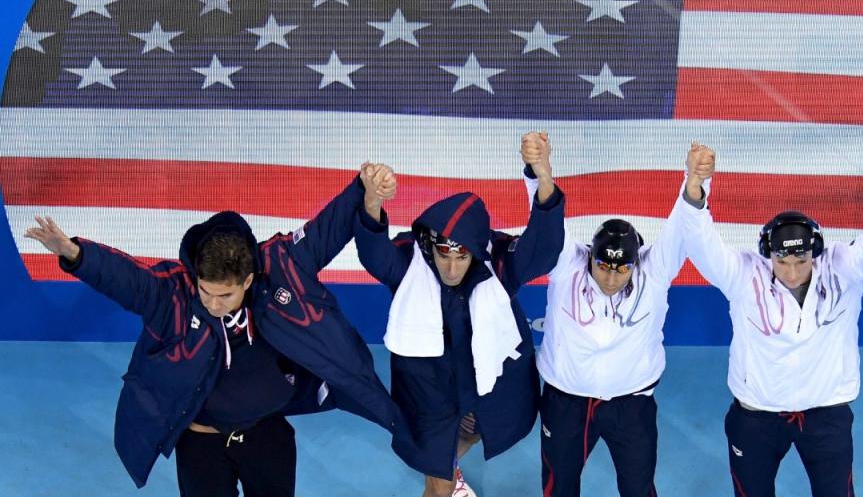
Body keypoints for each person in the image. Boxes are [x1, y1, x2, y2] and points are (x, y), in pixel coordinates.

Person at [24, 166, 410, 496]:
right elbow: (128, 280)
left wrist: (365, 189)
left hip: (267, 435)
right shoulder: (174, 294)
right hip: (201, 445)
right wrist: (74, 253)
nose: (212, 304)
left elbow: (327, 229)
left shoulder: (282, 266)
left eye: (223, 295)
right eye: (205, 291)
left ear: (247, 280)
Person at [678, 150, 863, 497]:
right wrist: (695, 183)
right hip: (756, 418)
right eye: (783, 261)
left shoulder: (844, 268)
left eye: (802, 260)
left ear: (815, 253)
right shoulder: (742, 275)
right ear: (768, 254)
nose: (793, 272)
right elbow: (700, 243)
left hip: (825, 416)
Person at [353, 132, 565, 497]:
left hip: (488, 379)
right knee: (436, 477)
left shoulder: (497, 259)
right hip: (429, 384)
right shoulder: (411, 259)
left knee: (476, 430)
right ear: (430, 246)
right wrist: (372, 201)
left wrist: (542, 177)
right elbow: (374, 255)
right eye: (444, 256)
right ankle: (446, 473)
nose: (451, 268)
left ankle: (450, 464)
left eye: (461, 257)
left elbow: (543, 249)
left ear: (475, 252)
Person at [535, 141, 714, 497]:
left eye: (622, 269)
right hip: (566, 403)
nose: (611, 278)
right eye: (603, 266)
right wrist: (540, 173)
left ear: (636, 262)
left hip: (632, 405)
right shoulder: (566, 264)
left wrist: (696, 182)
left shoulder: (655, 271)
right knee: (559, 490)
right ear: (590, 257)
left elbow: (682, 227)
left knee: (638, 490)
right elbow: (548, 221)